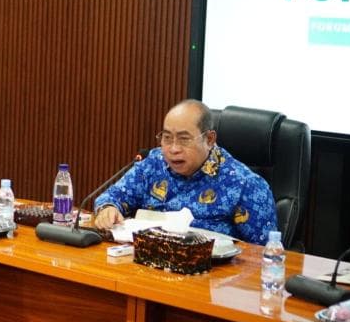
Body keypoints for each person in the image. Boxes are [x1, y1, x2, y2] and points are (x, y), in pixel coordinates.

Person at [93, 99, 278, 244]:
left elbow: (264, 254)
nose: (173, 149)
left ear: (209, 139)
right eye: (167, 138)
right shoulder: (153, 163)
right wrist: (108, 209)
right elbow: (111, 197)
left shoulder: (246, 185)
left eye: (184, 139)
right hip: (147, 264)